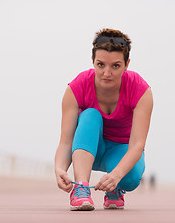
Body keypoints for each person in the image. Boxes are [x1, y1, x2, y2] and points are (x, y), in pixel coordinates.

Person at [54, 28, 153, 211]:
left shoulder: (140, 90)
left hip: (120, 149)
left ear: (126, 64)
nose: (107, 73)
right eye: (100, 65)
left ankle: (115, 189)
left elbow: (138, 145)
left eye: (115, 66)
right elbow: (66, 141)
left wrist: (116, 176)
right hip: (89, 148)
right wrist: (60, 168)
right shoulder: (77, 86)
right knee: (90, 115)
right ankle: (81, 188)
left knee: (130, 179)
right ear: (93, 61)